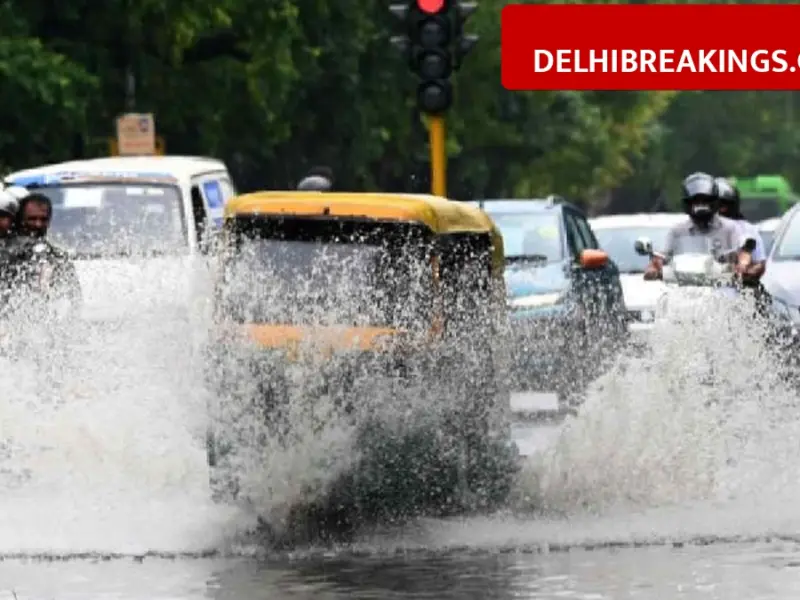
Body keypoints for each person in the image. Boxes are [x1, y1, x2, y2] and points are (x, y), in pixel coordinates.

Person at [644, 172, 746, 281]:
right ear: (687, 204)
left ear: (714, 202)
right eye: (696, 201)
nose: (701, 206)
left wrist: (739, 263)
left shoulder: (730, 229)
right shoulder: (677, 231)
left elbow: (742, 254)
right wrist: (654, 268)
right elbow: (663, 256)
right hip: (683, 286)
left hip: (722, 285)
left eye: (705, 201)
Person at [9, 192, 81, 308]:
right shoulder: (6, 252)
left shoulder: (58, 258)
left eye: (43, 219)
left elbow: (75, 301)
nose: (38, 224)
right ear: (20, 219)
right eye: (32, 219)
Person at [715, 177, 767, 284]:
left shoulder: (747, 230)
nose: (720, 209)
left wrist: (743, 273)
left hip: (738, 289)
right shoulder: (695, 230)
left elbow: (759, 263)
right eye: (715, 205)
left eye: (723, 205)